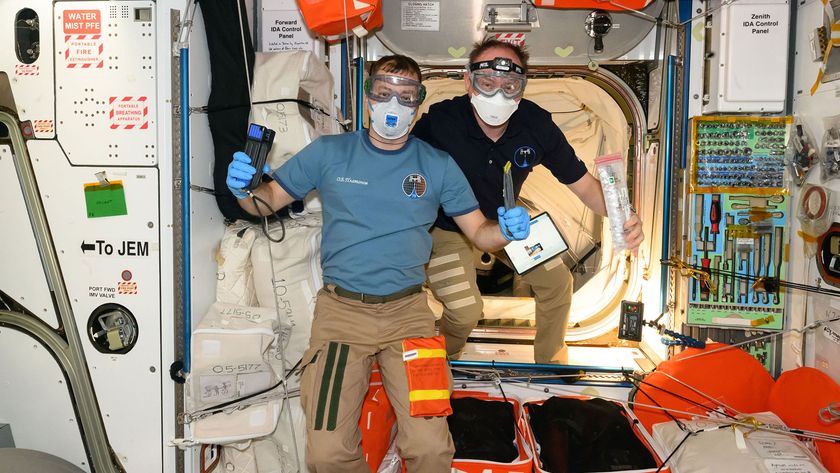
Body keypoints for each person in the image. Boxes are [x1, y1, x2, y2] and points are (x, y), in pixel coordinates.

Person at [225, 55, 532, 473]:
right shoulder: (329, 153)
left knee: (429, 447)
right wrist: (244, 189)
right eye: (384, 94)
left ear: (418, 103)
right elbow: (265, 203)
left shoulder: (437, 165)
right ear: (368, 98)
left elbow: (480, 232)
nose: (394, 106)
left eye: (406, 97)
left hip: (409, 316)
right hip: (341, 317)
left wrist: (507, 231)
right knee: (327, 453)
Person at [412, 39, 644, 365]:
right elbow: (400, 174)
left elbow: (584, 186)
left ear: (522, 88)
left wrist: (625, 215)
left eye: (509, 85)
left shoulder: (536, 126)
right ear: (468, 81)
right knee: (464, 312)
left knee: (557, 283)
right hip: (447, 226)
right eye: (487, 83)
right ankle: (441, 359)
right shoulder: (441, 122)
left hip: (509, 222)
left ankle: (550, 364)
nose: (498, 94)